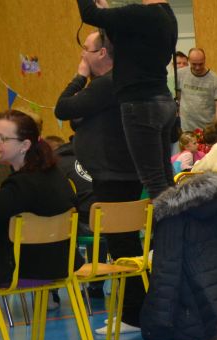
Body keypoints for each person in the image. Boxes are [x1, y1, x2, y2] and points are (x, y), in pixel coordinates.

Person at [76, 0, 178, 199]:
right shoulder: (167, 16)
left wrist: (101, 13)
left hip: (141, 103)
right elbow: (125, 43)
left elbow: (89, 14)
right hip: (162, 99)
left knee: (154, 181)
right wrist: (107, 15)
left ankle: (167, 218)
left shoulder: (139, 13)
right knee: (164, 176)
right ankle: (177, 216)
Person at [55, 30, 139, 268]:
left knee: (122, 245)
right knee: (124, 242)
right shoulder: (115, 83)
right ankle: (134, 289)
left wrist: (80, 77)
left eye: (86, 49)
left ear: (102, 52)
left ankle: (132, 292)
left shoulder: (107, 84)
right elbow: (78, 118)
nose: (82, 55)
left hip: (114, 176)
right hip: (118, 173)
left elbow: (62, 109)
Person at [0, 110, 77, 286]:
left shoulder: (21, 184)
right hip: (61, 265)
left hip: (22, 271)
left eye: (2, 138)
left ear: (24, 145)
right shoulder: (53, 173)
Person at [176, 47, 217, 133]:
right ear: (189, 61)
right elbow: (178, 98)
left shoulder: (216, 80)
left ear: (205, 60)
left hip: (206, 130)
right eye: (194, 64)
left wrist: (214, 127)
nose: (197, 67)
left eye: (201, 64)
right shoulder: (180, 74)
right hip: (186, 129)